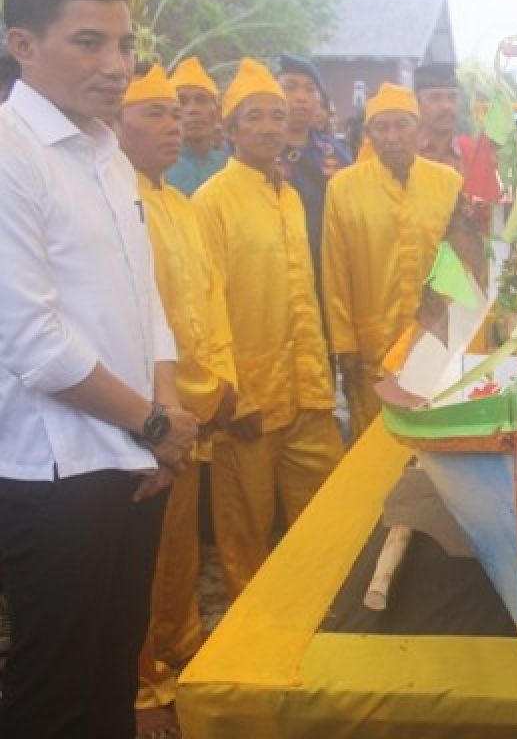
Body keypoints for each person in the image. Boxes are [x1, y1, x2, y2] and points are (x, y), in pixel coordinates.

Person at [0, 0, 199, 738]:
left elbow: (144, 302)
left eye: (124, 45)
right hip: (55, 471)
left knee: (113, 672)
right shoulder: (11, 155)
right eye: (89, 43)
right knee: (56, 686)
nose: (117, 68)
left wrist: (166, 428)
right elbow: (32, 340)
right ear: (22, 43)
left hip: (131, 455)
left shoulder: (107, 155)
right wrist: (152, 425)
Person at [114, 63, 239, 734]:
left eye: (176, 112)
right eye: (155, 113)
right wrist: (185, 399)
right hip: (147, 412)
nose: (173, 124)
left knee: (183, 547)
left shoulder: (181, 207)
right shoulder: (118, 200)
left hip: (194, 407)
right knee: (144, 556)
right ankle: (141, 682)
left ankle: (180, 645)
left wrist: (219, 382)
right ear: (117, 124)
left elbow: (209, 302)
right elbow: (140, 319)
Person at [193, 58, 344, 598]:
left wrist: (318, 379)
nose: (269, 127)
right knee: (245, 528)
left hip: (307, 391)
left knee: (326, 507)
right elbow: (202, 307)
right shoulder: (211, 201)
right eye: (254, 117)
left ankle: (317, 611)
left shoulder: (291, 194)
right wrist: (230, 394)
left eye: (277, 116)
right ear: (229, 131)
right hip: (249, 401)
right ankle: (248, 635)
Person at [322, 84, 463, 440]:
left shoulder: (448, 183)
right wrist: (344, 345)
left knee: (432, 438)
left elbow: (462, 263)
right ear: (369, 135)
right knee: (373, 441)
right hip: (372, 344)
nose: (392, 137)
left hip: (434, 340)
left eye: (402, 125)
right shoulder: (344, 187)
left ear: (418, 130)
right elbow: (335, 270)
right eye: (381, 128)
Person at [276, 53, 352, 286]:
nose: (301, 98)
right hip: (279, 275)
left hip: (330, 274)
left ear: (319, 100)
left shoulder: (337, 153)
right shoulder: (260, 154)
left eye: (310, 89)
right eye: (290, 88)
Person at [164, 56, 227, 196]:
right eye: (182, 101)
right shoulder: (158, 169)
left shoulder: (227, 165)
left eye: (201, 100)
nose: (192, 109)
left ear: (217, 112)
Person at [413, 61, 473, 174]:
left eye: (452, 97)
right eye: (434, 98)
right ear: (417, 103)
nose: (446, 106)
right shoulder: (404, 150)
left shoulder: (472, 152)